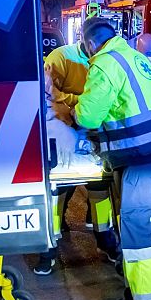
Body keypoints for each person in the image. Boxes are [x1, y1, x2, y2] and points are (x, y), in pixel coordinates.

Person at [75, 18, 151, 300]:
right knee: (132, 231)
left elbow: (88, 116)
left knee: (137, 241)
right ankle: (135, 298)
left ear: (90, 44)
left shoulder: (104, 64)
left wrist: (75, 107)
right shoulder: (132, 55)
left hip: (141, 161)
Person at [36, 40, 120, 275]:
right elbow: (48, 95)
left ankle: (106, 241)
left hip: (91, 135)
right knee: (57, 194)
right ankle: (49, 250)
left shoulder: (106, 59)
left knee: (100, 192)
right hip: (63, 136)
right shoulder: (59, 58)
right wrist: (77, 103)